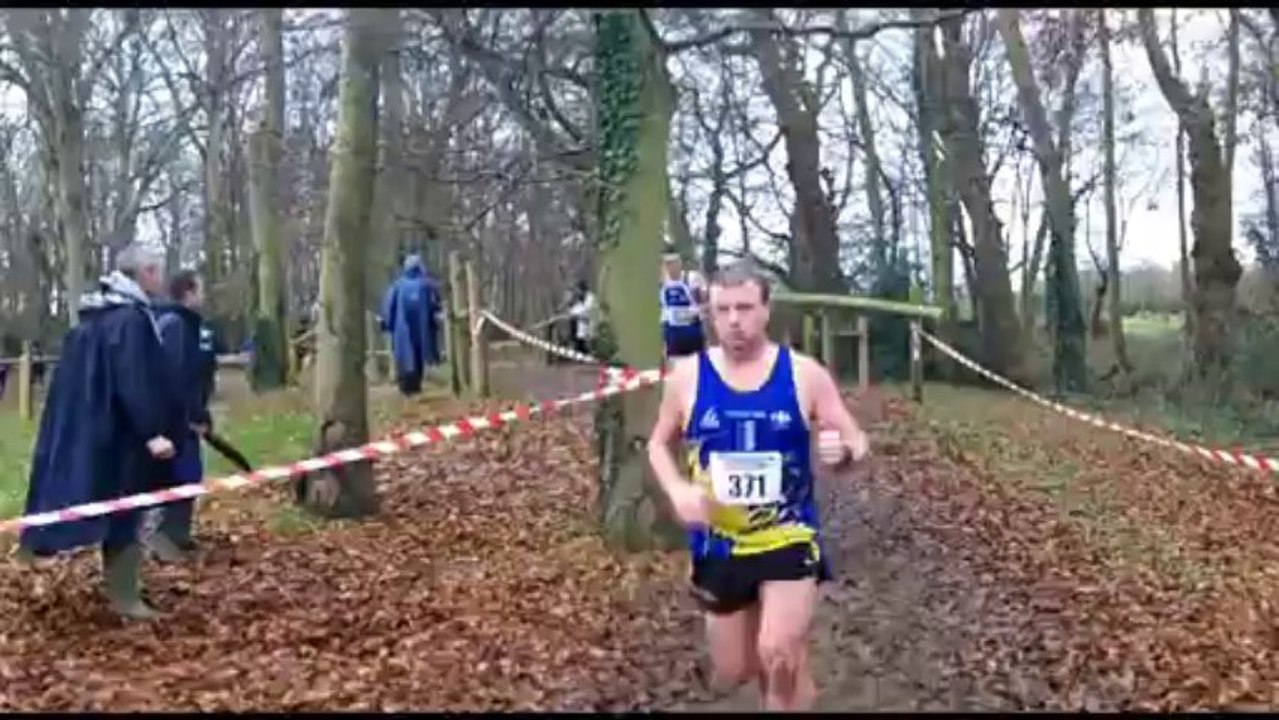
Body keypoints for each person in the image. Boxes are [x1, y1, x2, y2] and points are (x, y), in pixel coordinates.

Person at [646, 261, 870, 711]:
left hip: (788, 534)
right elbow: (657, 444)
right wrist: (677, 490)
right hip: (720, 542)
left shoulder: (804, 373)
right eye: (723, 309)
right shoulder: (687, 377)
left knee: (776, 651)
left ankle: (785, 668)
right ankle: (791, 667)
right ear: (709, 314)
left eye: (745, 308)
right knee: (734, 669)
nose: (734, 320)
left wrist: (843, 453)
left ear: (766, 310)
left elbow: (856, 439)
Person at [18, 241, 183, 621]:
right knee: (125, 511)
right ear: (145, 274)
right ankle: (125, 597)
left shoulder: (93, 319)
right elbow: (135, 379)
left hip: (92, 430)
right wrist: (152, 431)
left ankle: (120, 588)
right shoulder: (131, 321)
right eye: (157, 270)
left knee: (109, 507)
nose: (161, 278)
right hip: (119, 437)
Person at [149, 269, 217, 563]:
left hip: (186, 415)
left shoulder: (191, 326)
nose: (204, 295)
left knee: (190, 474)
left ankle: (178, 534)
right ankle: (163, 537)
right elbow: (177, 376)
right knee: (180, 475)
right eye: (200, 289)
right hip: (176, 418)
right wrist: (193, 414)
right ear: (188, 293)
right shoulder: (174, 325)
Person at [380, 254, 442, 397]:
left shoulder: (398, 285)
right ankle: (416, 385)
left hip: (402, 329)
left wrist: (386, 323)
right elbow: (435, 304)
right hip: (422, 329)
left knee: (404, 356)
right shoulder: (426, 285)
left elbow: (389, 306)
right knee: (418, 355)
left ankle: (405, 386)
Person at [660, 252, 707, 360]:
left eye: (674, 263)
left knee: (696, 362)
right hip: (672, 330)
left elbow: (704, 299)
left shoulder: (691, 277)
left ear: (680, 263)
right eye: (668, 264)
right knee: (676, 363)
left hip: (691, 328)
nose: (671, 267)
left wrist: (700, 292)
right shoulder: (663, 281)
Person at [567, 280, 598, 356]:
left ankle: (588, 353)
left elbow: (586, 309)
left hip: (589, 326)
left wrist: (575, 313)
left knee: (585, 345)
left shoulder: (590, 298)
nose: (578, 293)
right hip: (581, 328)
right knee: (579, 343)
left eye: (579, 291)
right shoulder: (580, 300)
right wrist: (570, 304)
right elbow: (573, 311)